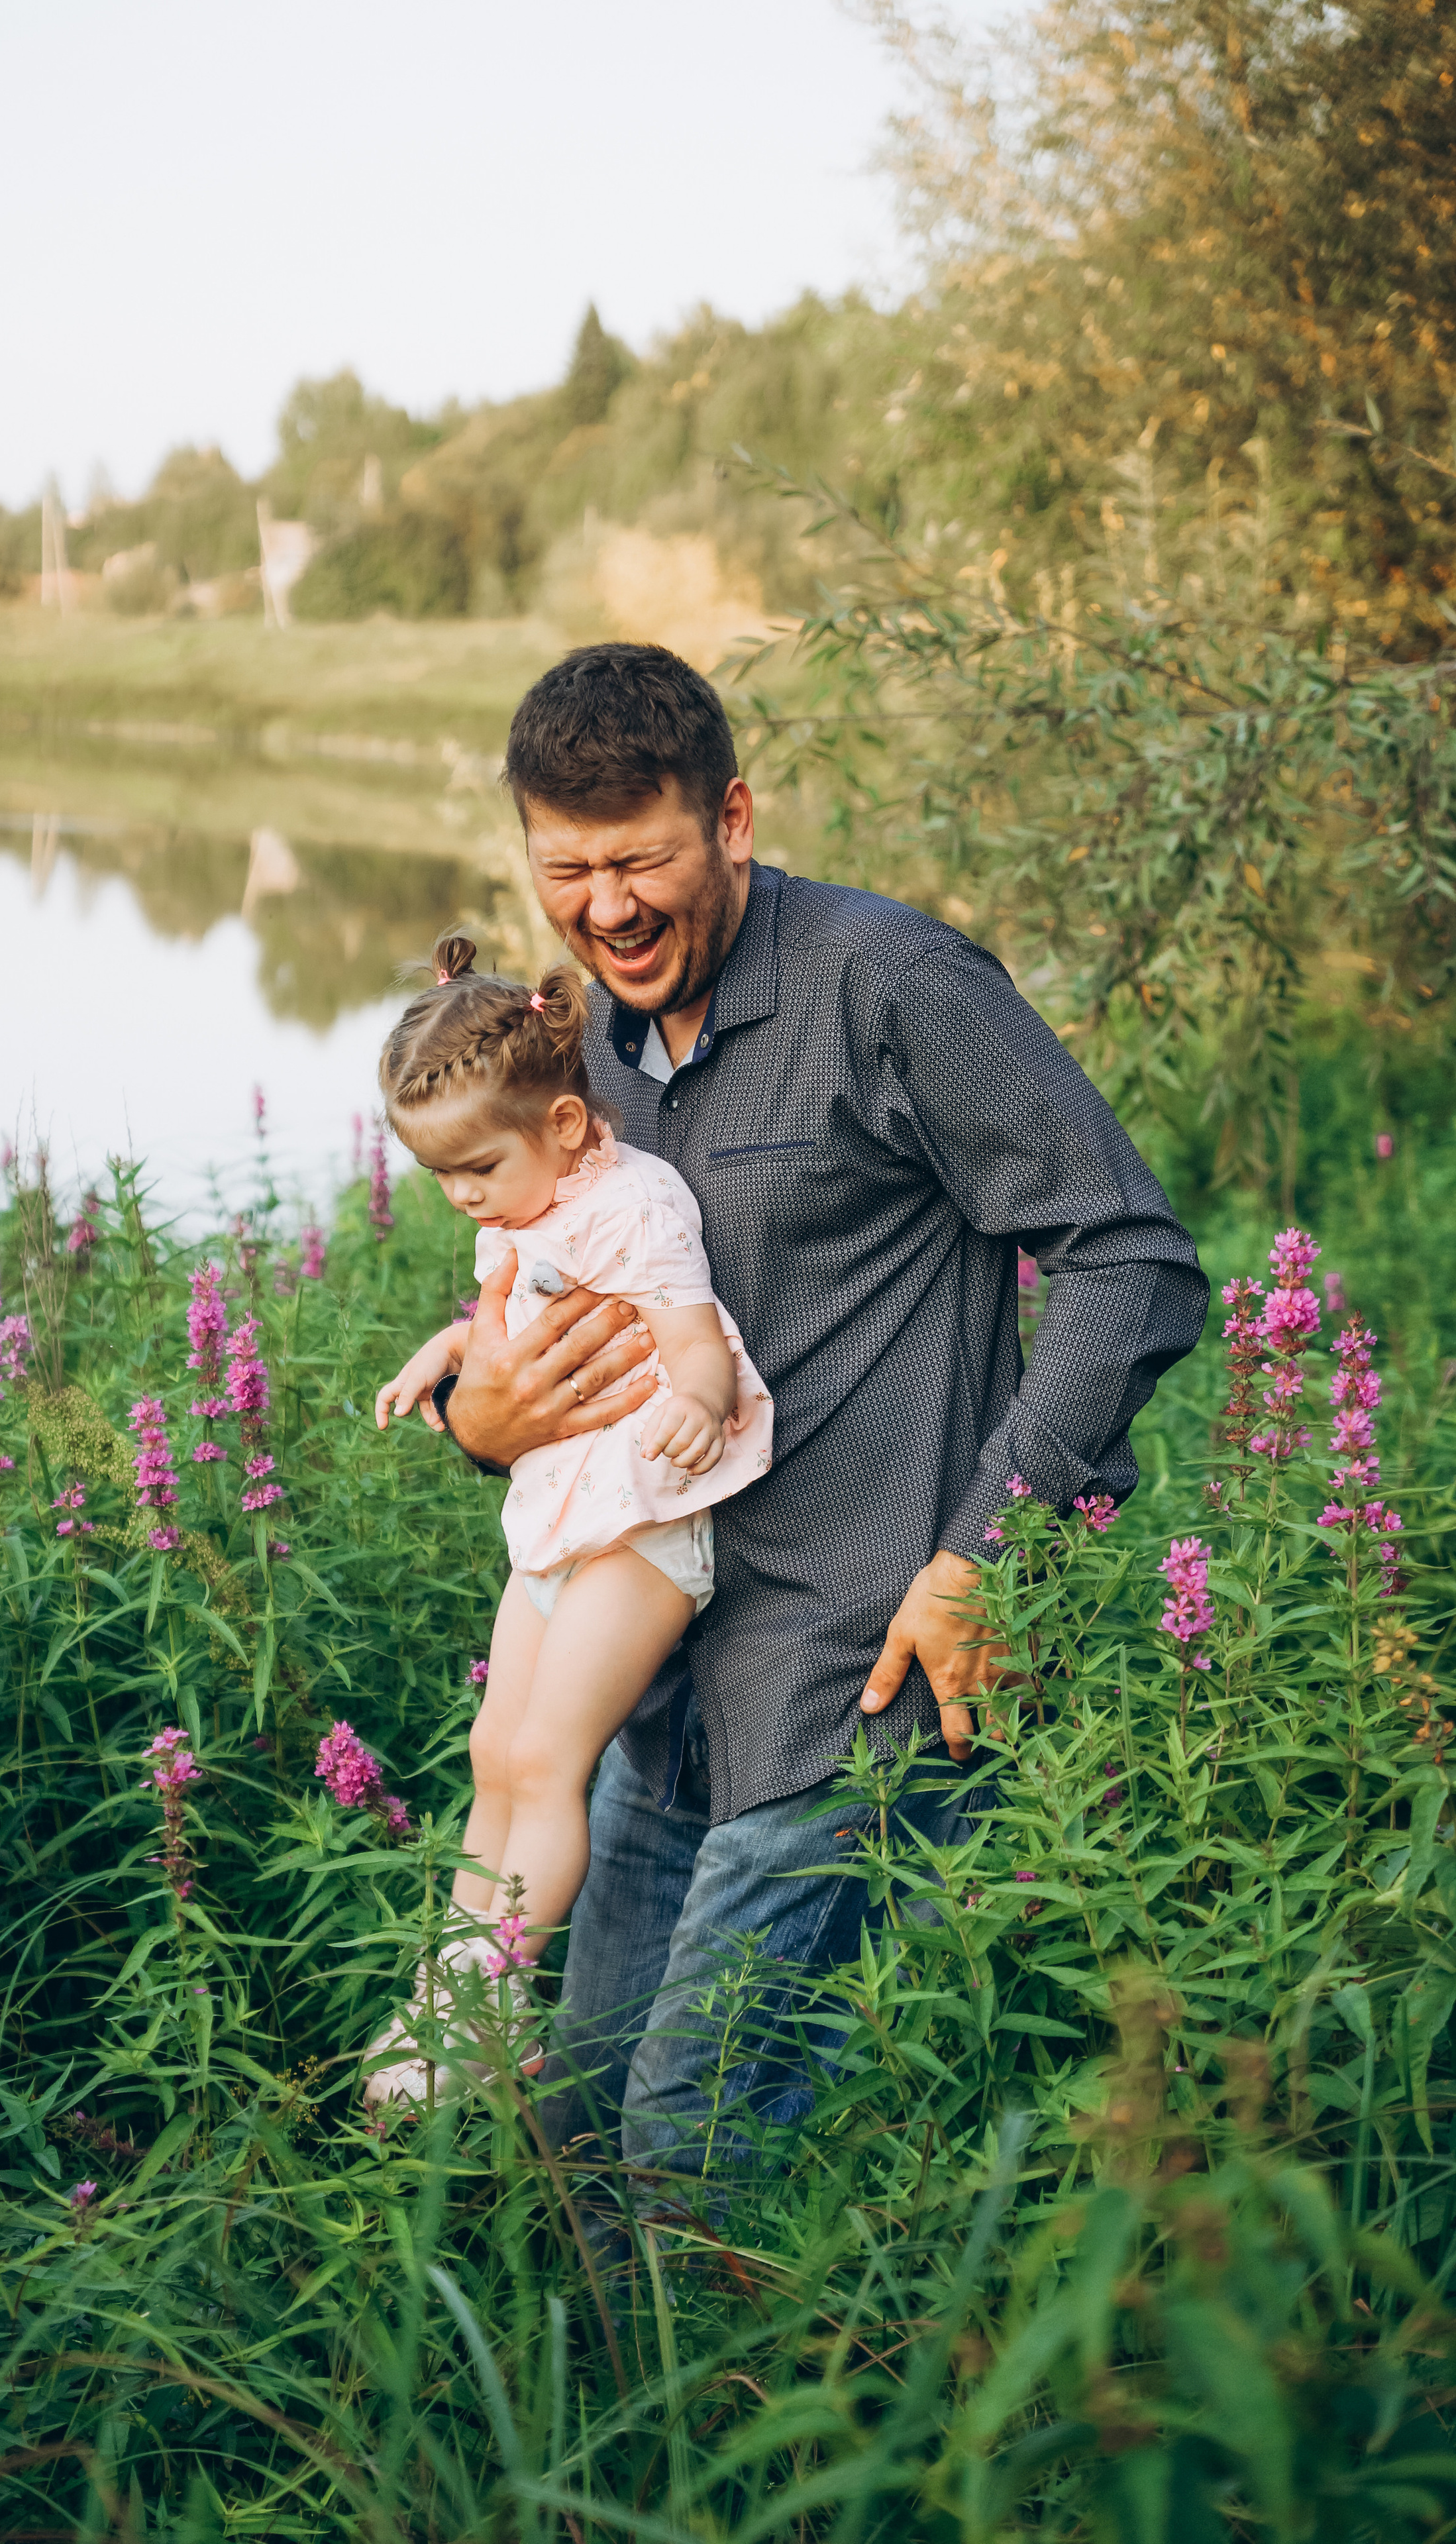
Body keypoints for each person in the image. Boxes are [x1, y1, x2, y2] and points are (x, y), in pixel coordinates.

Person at [419, 643, 1208, 2174]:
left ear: (731, 819)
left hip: (846, 1676)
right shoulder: (576, 1045)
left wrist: (988, 1547)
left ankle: (788, 2402)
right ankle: (627, 2418)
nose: (607, 906)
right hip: (651, 1680)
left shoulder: (892, 986)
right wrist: (480, 1421)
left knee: (689, 2148)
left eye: (641, 858)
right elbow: (537, 1297)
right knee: (575, 2120)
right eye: (566, 869)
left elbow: (1131, 1262)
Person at [366, 935, 774, 2099]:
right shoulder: (527, 1200)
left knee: (548, 1759)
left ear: (567, 1121)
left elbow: (694, 1342)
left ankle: (490, 2011)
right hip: (559, 1514)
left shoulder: (638, 1205)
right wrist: (442, 1357)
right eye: (441, 1179)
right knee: (496, 1748)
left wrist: (698, 1403)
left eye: (475, 1171)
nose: (461, 1200)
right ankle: (445, 1992)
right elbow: (506, 1306)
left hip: (644, 1527)